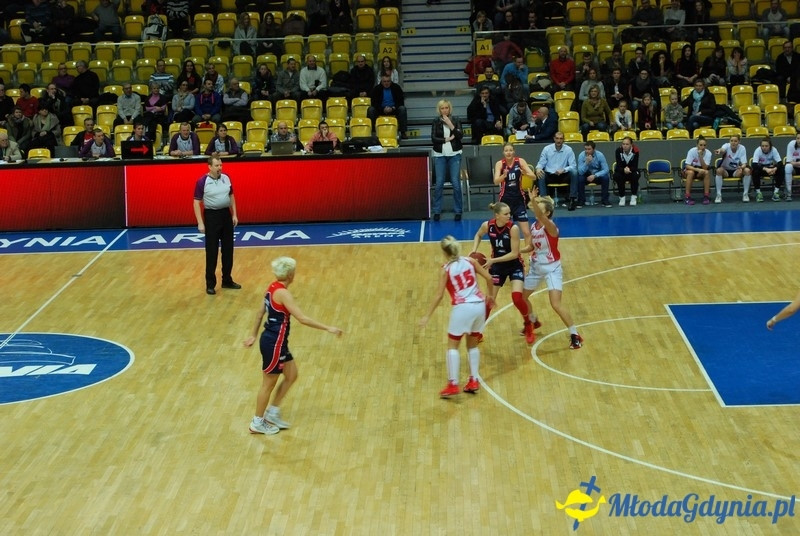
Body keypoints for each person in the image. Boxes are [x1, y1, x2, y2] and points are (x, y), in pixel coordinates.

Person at [243, 256, 343, 434]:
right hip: (275, 344)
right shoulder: (283, 293)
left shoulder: (271, 288)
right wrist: (328, 328)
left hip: (275, 341)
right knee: (268, 383)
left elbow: (260, 314)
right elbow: (302, 318)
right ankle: (257, 422)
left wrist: (253, 335)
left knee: (292, 375)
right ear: (290, 274)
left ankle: (272, 413)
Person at [419, 236, 493, 397]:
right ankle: (473, 380)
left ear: (445, 253)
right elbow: (489, 278)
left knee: (453, 346)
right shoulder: (471, 261)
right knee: (472, 345)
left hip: (462, 307)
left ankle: (453, 384)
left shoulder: (446, 269)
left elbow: (439, 296)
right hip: (479, 305)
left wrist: (427, 315)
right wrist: (490, 297)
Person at [521, 186, 583, 349]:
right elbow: (531, 247)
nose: (536, 210)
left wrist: (533, 200)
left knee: (555, 304)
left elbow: (540, 215)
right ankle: (533, 321)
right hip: (536, 267)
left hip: (552, 268)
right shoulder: (534, 226)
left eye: (540, 208)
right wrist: (518, 251)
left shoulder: (551, 227)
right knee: (522, 297)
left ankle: (575, 334)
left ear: (547, 213)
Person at [471, 201, 536, 344]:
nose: (509, 216)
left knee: (517, 298)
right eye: (506, 214)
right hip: (498, 268)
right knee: (489, 302)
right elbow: (478, 235)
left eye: (509, 213)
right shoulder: (487, 225)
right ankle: (478, 332)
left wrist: (493, 260)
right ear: (497, 215)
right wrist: (474, 250)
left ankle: (528, 325)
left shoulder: (513, 228)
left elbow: (514, 254)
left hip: (514, 265)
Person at [193, 156, 241, 295]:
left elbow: (231, 196)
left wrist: (234, 214)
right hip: (211, 217)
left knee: (228, 250)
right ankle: (210, 284)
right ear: (209, 167)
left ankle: (227, 280)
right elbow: (196, 202)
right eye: (216, 165)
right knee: (212, 252)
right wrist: (200, 222)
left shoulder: (226, 178)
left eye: (221, 165)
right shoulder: (202, 181)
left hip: (226, 215)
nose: (220, 168)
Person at [431, 99, 464, 221]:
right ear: (439, 110)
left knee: (455, 183)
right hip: (440, 155)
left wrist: (451, 125)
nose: (444, 110)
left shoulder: (456, 119)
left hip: (454, 154)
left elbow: (460, 136)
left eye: (446, 108)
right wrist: (447, 139)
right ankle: (437, 211)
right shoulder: (435, 121)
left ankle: (458, 211)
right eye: (442, 108)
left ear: (450, 109)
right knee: (439, 183)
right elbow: (433, 138)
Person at [496, 142, 537, 242]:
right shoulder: (500, 163)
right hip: (505, 200)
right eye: (506, 151)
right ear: (503, 152)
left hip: (518, 199)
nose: (508, 152)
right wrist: (503, 176)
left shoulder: (520, 161)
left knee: (526, 232)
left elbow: (534, 176)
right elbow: (496, 180)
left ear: (514, 151)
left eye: (510, 150)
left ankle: (529, 256)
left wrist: (525, 173)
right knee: (506, 232)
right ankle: (508, 255)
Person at [534, 132, 578, 210]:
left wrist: (564, 169)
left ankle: (572, 200)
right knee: (540, 173)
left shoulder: (568, 150)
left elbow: (573, 165)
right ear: (554, 139)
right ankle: (544, 201)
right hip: (550, 175)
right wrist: (538, 168)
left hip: (563, 175)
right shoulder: (547, 149)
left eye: (561, 139)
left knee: (574, 172)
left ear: (563, 140)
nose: (559, 141)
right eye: (557, 138)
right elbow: (541, 163)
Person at [367, 74, 408, 139]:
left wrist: (393, 108)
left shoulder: (396, 88)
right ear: (381, 81)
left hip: (393, 109)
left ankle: (403, 132)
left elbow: (400, 102)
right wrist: (383, 109)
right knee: (371, 109)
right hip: (380, 110)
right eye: (384, 81)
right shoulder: (376, 89)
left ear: (391, 81)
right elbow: (374, 103)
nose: (386, 83)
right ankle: (372, 132)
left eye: (388, 81)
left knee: (402, 109)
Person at [713, 134, 750, 203]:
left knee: (747, 171)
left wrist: (741, 167)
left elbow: (744, 163)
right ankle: (718, 195)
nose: (733, 142)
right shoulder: (726, 146)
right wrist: (719, 151)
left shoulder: (742, 148)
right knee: (718, 171)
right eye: (731, 141)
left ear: (739, 142)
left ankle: (745, 194)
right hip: (725, 171)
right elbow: (723, 150)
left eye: (735, 141)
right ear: (729, 141)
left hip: (736, 171)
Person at [576, 140, 611, 208]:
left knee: (605, 178)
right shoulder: (581, 155)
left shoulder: (600, 155)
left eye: (589, 149)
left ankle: (605, 200)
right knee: (579, 178)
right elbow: (580, 171)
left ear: (594, 149)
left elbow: (606, 169)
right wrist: (586, 163)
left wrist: (595, 175)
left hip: (596, 175)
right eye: (586, 149)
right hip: (586, 175)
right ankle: (581, 200)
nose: (587, 151)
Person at [750, 137, 782, 202]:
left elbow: (780, 163)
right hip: (762, 169)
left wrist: (775, 169)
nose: (764, 147)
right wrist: (766, 169)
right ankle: (758, 193)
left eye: (766, 146)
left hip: (771, 168)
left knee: (781, 169)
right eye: (763, 146)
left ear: (770, 146)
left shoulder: (774, 150)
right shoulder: (758, 150)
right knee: (755, 171)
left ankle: (776, 192)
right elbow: (754, 164)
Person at [682, 135, 712, 205]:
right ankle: (687, 197)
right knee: (691, 173)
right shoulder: (692, 151)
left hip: (701, 170)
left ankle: (706, 196)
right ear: (697, 145)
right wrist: (697, 169)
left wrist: (701, 156)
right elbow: (687, 165)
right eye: (701, 145)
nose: (703, 147)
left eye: (704, 145)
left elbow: (705, 168)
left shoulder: (708, 153)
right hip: (691, 169)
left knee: (707, 172)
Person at [613, 136, 640, 206]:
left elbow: (635, 166)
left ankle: (634, 196)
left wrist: (629, 169)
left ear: (631, 145)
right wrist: (624, 170)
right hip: (622, 171)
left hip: (631, 171)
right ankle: (622, 197)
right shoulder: (618, 151)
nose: (624, 146)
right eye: (623, 144)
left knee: (636, 175)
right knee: (617, 176)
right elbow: (618, 165)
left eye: (627, 144)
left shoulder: (636, 151)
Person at [784, 133, 800, 202]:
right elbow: (789, 161)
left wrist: (794, 163)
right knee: (788, 167)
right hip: (794, 168)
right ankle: (788, 193)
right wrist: (797, 163)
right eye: (798, 138)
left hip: (795, 164)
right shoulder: (791, 144)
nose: (799, 140)